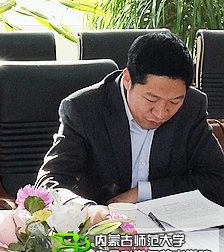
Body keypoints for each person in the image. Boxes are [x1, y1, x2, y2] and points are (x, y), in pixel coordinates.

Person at [36, 32, 224, 214]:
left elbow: (217, 180)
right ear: (127, 80)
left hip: (168, 226)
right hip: (102, 227)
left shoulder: (192, 106)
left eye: (174, 102)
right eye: (151, 99)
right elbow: (49, 184)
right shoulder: (84, 110)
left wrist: (143, 192)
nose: (161, 113)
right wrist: (87, 210)